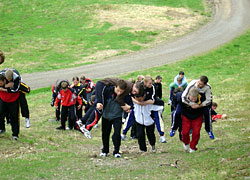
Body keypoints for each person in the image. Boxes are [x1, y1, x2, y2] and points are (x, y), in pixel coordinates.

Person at [100, 82, 128, 158]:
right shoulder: (107, 91)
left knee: (117, 133)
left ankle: (116, 151)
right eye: (118, 90)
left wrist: (127, 107)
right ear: (115, 87)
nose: (119, 93)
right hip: (106, 115)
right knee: (105, 133)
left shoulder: (125, 95)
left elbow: (129, 104)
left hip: (117, 116)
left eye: (121, 92)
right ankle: (105, 150)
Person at [181, 87, 204, 153]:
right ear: (189, 95)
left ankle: (193, 147)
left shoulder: (201, 99)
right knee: (185, 132)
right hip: (186, 116)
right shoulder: (184, 99)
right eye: (192, 97)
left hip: (198, 116)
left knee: (196, 132)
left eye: (195, 97)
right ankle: (186, 143)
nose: (193, 99)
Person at [0, 74, 20, 140]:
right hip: (3, 99)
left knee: (14, 117)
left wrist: (4, 88)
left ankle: (15, 134)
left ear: (5, 80)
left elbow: (15, 89)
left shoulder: (13, 81)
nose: (0, 84)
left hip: (13, 101)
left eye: (1, 83)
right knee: (0, 114)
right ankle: (1, 128)